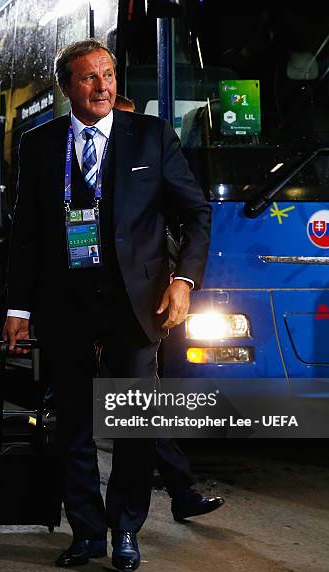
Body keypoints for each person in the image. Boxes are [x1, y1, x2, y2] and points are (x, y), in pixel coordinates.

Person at [3, 39, 211, 572]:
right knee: (71, 426)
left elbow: (196, 213)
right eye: (90, 78)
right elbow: (26, 235)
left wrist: (184, 282)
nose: (104, 86)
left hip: (136, 306)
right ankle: (89, 533)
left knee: (135, 427)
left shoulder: (150, 136)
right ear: (67, 87)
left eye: (110, 75)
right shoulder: (39, 145)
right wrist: (19, 309)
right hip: (66, 305)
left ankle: (125, 530)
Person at [114, 93, 225, 521]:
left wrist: (179, 282)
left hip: (145, 305)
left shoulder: (151, 171)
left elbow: (190, 218)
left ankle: (176, 492)